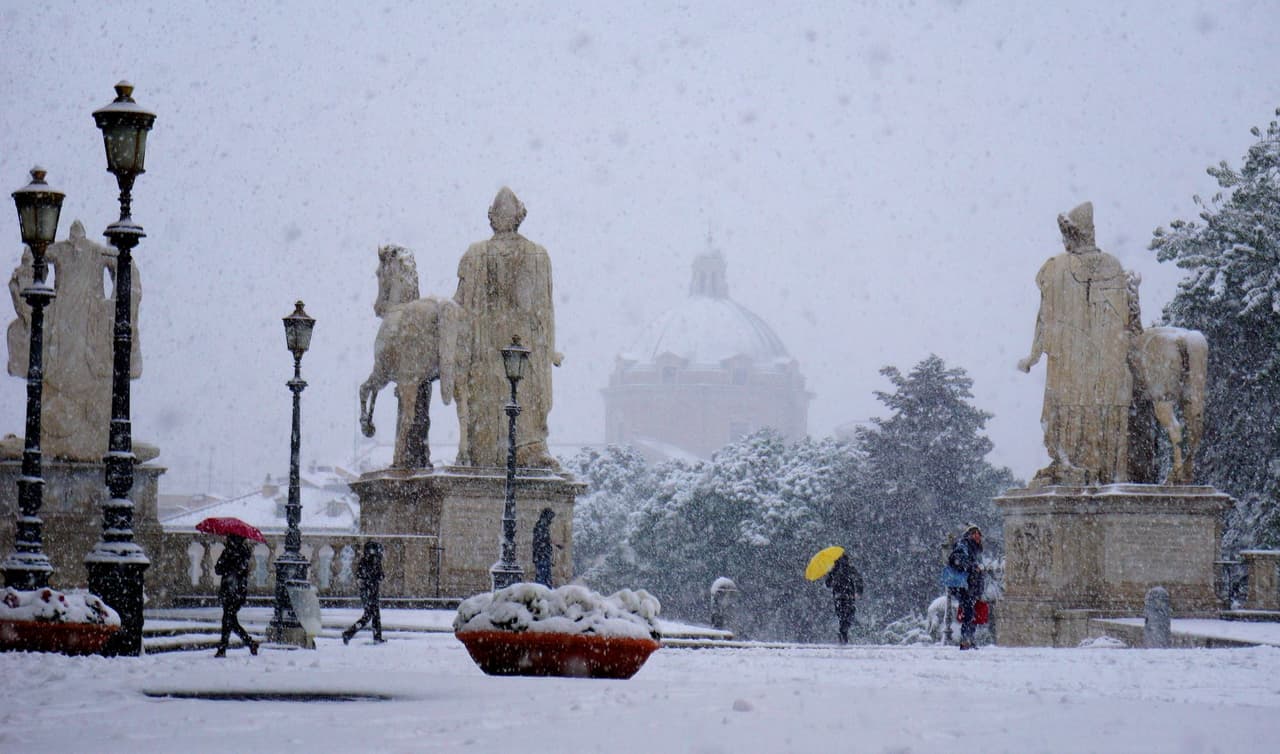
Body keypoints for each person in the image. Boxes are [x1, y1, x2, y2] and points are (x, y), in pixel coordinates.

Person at [1018, 201, 1135, 486]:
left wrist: (1033, 356)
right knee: (1100, 408)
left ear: (1070, 234)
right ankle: (1102, 467)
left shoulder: (1056, 269)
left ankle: (1071, 462)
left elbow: (1045, 318)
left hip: (1071, 363)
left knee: (1067, 408)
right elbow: (1129, 324)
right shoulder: (1113, 267)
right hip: (1104, 367)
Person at [452, 187, 562, 469]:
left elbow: (542, 308)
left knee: (512, 394)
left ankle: (514, 449)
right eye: (499, 211)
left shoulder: (531, 255)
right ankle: (511, 450)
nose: (503, 216)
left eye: (507, 211)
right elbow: (540, 309)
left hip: (503, 341)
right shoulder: (524, 254)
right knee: (508, 393)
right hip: (500, 341)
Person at [214, 534, 258, 657]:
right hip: (236, 591)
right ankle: (248, 643)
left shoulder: (234, 552)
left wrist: (228, 562)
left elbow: (220, 569)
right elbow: (220, 569)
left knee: (228, 620)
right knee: (230, 620)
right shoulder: (243, 552)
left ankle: (223, 648)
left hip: (232, 590)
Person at [948, 525, 985, 650]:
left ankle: (969, 638)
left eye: (978, 534)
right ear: (969, 535)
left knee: (972, 612)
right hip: (964, 585)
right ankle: (966, 639)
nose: (977, 536)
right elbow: (958, 559)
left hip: (971, 585)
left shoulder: (975, 549)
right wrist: (972, 567)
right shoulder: (964, 545)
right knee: (969, 611)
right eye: (974, 533)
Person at [343, 541, 385, 644]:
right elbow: (377, 576)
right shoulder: (369, 562)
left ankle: (376, 636)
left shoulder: (368, 562)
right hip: (370, 591)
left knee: (373, 615)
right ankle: (349, 633)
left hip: (369, 592)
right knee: (370, 615)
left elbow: (376, 576)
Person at [824, 553, 864, 644]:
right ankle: (843, 632)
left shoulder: (834, 571)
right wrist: (858, 592)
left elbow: (828, 584)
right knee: (849, 615)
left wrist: (830, 575)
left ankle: (843, 633)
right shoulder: (850, 569)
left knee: (841, 615)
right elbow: (858, 580)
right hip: (849, 596)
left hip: (838, 596)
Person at [532, 508, 555, 587]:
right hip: (542, 555)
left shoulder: (542, 526)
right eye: (550, 518)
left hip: (542, 555)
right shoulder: (541, 526)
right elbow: (541, 540)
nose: (551, 521)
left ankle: (544, 591)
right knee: (543, 578)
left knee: (545, 577)